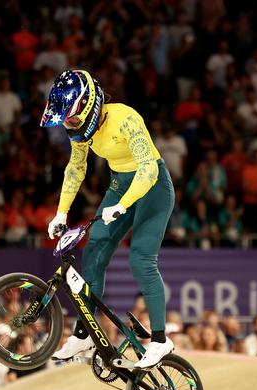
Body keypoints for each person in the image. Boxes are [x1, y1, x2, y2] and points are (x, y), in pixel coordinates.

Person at [41, 69, 175, 368]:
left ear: (89, 107)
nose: (69, 125)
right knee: (95, 248)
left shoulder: (125, 119)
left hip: (153, 187)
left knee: (140, 260)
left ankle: (160, 340)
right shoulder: (81, 131)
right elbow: (76, 168)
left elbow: (149, 169)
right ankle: (84, 333)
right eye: (65, 120)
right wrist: (61, 211)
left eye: (72, 119)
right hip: (122, 183)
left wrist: (123, 205)